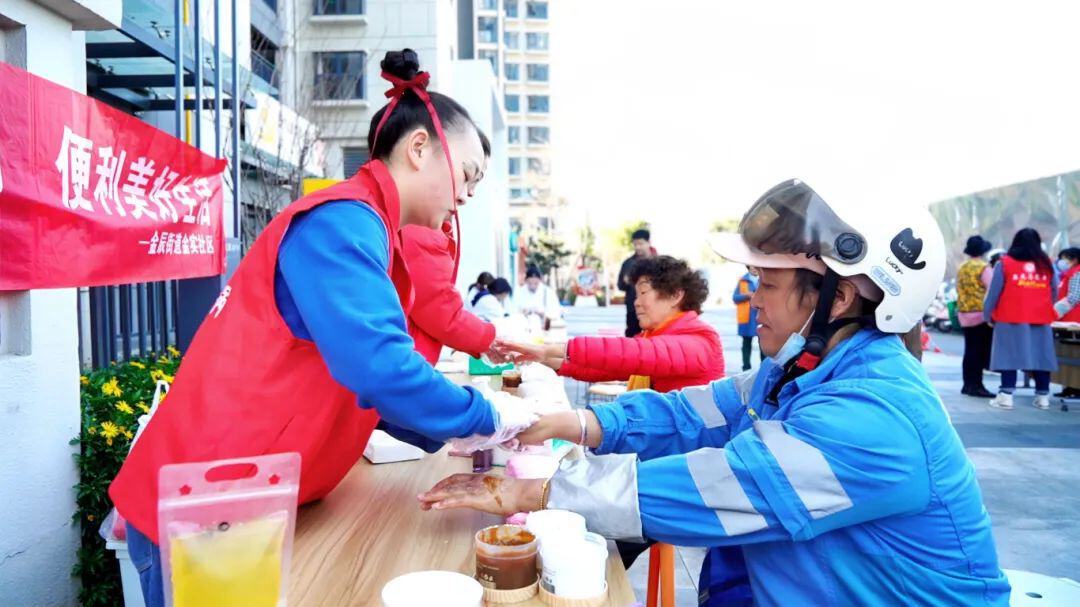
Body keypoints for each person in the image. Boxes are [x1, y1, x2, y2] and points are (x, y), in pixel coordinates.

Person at [420, 179, 1010, 606]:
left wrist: (538, 490)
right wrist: (570, 425)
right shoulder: (798, 371)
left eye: (768, 285)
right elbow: (692, 414)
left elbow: (721, 488)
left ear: (841, 297)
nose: (753, 302)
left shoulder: (875, 417)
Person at [111, 49, 538, 607]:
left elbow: (361, 384)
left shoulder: (369, 227)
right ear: (418, 149)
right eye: (468, 174)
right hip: (206, 501)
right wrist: (485, 415)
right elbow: (379, 368)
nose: (467, 195)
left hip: (237, 494)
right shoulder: (340, 223)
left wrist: (462, 430)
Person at [499, 255, 724, 394]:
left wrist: (550, 348)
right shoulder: (654, 337)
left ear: (675, 295)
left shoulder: (700, 341)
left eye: (643, 292)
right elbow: (607, 366)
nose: (636, 302)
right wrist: (541, 357)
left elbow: (630, 353)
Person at [985, 228, 1059, 410]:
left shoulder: (1004, 263)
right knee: (1041, 357)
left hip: (1009, 317)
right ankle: (1043, 397)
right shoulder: (1047, 265)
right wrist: (1044, 306)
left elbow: (994, 292)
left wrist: (987, 314)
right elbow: (1054, 291)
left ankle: (1006, 396)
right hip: (1040, 317)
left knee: (1008, 356)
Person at [402, 225, 497, 364]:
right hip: (406, 362)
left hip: (410, 358)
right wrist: (487, 339)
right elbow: (438, 307)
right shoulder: (421, 230)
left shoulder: (424, 227)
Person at [957, 235, 995, 397]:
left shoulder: (962, 267)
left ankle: (967, 384)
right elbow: (992, 290)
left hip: (964, 314)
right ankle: (977, 385)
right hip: (980, 315)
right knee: (979, 352)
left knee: (969, 351)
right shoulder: (984, 268)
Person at [1052, 247, 1080, 397]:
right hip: (1066, 319)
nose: (1062, 262)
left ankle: (1076, 388)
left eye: (1065, 258)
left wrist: (1053, 312)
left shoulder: (1077, 273)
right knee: (1069, 354)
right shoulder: (1068, 274)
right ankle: (1070, 387)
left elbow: (1074, 297)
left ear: (1074, 260)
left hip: (1074, 319)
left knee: (1075, 353)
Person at [618, 228, 655, 337]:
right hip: (633, 310)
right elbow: (620, 285)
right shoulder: (628, 263)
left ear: (649, 242)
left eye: (641, 244)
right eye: (635, 244)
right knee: (632, 338)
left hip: (654, 309)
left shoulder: (658, 262)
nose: (638, 247)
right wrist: (625, 282)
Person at [733, 266, 760, 371]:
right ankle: (746, 368)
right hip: (747, 317)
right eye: (752, 267)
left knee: (763, 343)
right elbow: (735, 298)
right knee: (746, 342)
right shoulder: (743, 281)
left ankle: (764, 367)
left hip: (760, 316)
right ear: (748, 267)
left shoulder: (764, 279)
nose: (754, 269)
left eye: (756, 267)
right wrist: (746, 296)